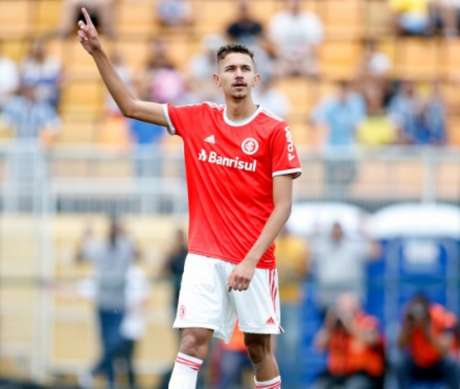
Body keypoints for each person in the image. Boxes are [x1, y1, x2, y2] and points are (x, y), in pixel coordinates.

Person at [77, 7, 302, 389]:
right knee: (192, 341)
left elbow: (283, 206)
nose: (239, 76)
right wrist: (99, 52)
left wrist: (248, 261)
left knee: (258, 349)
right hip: (203, 256)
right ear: (217, 79)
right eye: (231, 69)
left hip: (254, 259)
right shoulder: (197, 119)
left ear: (257, 77)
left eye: (245, 69)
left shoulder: (274, 131)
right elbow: (130, 106)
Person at [76, 215, 139, 388]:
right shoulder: (99, 247)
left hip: (119, 304)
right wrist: (85, 236)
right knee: (106, 344)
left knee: (115, 341)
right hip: (103, 303)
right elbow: (80, 256)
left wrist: (129, 234)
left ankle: (94, 370)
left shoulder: (125, 246)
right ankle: (110, 382)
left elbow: (139, 254)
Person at [314, 293, 385, 389]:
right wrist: (329, 324)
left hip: (364, 374)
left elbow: (371, 340)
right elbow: (319, 347)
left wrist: (350, 323)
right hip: (339, 374)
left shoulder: (368, 321)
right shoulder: (335, 328)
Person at [309, 221, 380, 314]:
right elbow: (306, 258)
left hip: (351, 297)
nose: (336, 231)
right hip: (327, 298)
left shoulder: (354, 245)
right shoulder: (320, 246)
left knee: (353, 326)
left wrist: (367, 235)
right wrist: (313, 235)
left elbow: (375, 253)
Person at [396, 294, 459, 388]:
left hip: (436, 362)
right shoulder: (409, 317)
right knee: (399, 363)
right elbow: (400, 346)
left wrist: (427, 329)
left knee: (452, 363)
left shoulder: (439, 316)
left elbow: (445, 350)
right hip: (417, 363)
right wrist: (408, 327)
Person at [274, 227, 308, 389]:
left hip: (292, 299)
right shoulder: (271, 242)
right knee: (276, 347)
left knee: (291, 344)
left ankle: (292, 384)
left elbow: (305, 272)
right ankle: (278, 382)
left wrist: (291, 274)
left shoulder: (298, 245)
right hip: (273, 300)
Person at [268, 0, 323, 77]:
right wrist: (287, 57)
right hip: (284, 58)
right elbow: (273, 44)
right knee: (272, 73)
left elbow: (315, 44)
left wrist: (300, 58)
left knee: (316, 72)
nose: (295, 3)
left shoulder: (312, 18)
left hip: (306, 59)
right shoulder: (278, 19)